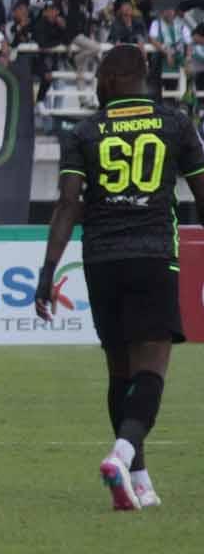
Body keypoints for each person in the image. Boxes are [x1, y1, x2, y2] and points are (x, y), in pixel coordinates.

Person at [35, 45, 204, 511]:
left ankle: (140, 481)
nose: (94, 83)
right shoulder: (176, 123)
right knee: (151, 371)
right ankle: (122, 455)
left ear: (115, 78)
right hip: (152, 256)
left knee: (119, 372)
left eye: (99, 75)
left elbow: (68, 205)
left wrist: (48, 271)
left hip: (101, 261)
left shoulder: (83, 131)